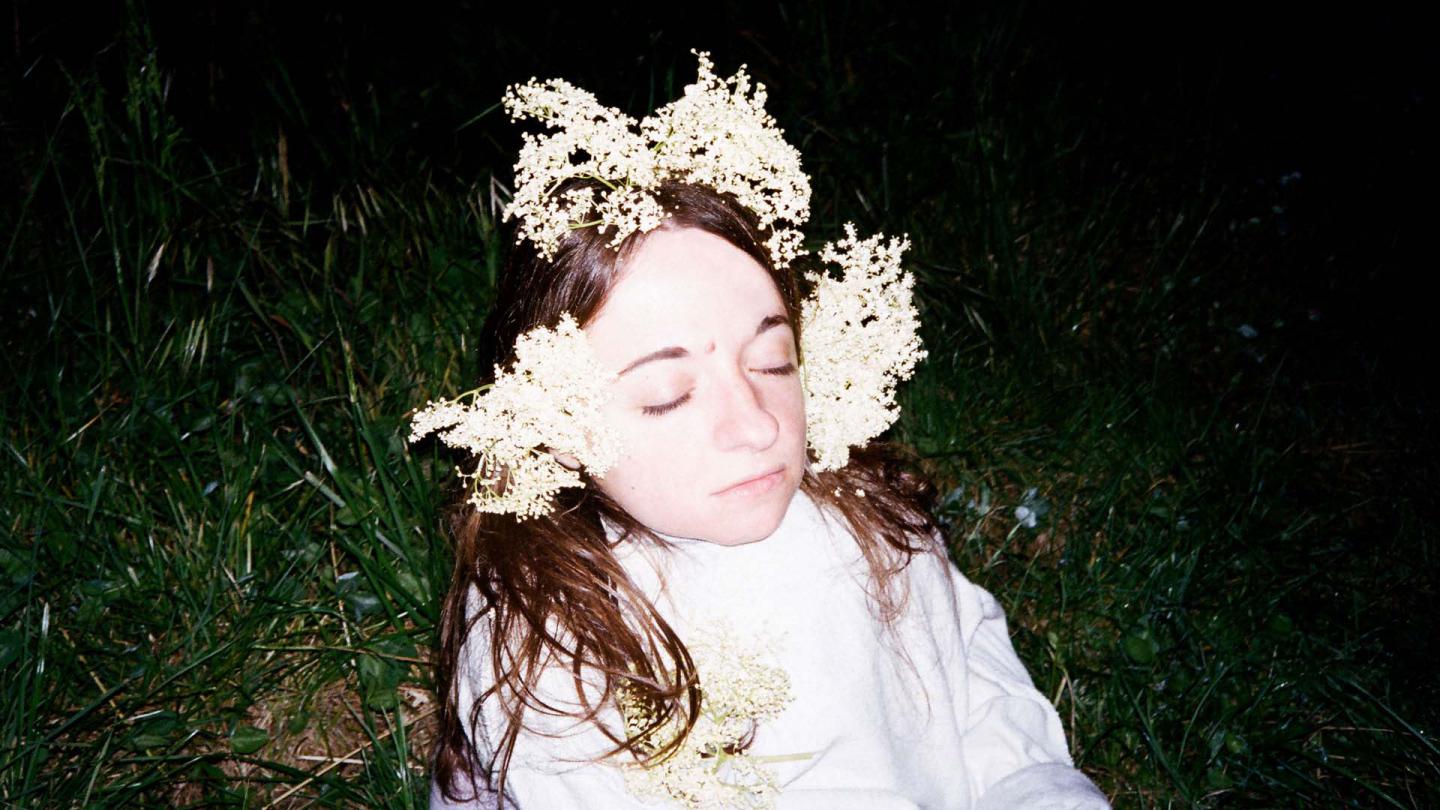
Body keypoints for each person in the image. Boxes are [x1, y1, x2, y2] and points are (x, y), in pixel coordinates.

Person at [416, 55, 1110, 810]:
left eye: (773, 361)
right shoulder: (550, 643)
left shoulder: (865, 520)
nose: (756, 424)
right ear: (551, 427)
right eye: (667, 396)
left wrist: (1035, 791)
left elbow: (975, 687)